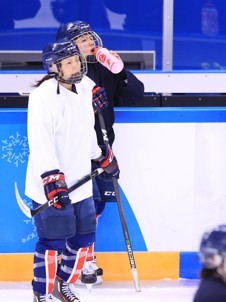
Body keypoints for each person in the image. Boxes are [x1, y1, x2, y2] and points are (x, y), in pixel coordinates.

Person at [26, 39, 119, 302]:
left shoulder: (86, 86)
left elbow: (87, 130)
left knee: (84, 239)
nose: (75, 65)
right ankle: (41, 293)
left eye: (76, 59)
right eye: (68, 62)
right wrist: (50, 177)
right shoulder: (41, 97)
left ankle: (62, 284)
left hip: (81, 182)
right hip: (51, 184)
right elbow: (39, 140)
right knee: (53, 243)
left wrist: (101, 157)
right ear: (53, 67)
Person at [56, 20, 145, 285]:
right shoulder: (59, 76)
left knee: (96, 206)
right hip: (73, 152)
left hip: (102, 150)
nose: (90, 43)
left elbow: (135, 96)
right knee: (81, 206)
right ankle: (79, 260)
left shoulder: (102, 67)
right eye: (82, 40)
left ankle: (85, 257)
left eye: (89, 37)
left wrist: (120, 72)